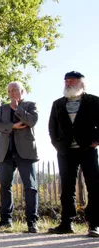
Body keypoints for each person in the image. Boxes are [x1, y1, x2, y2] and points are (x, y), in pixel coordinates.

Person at [48, 71, 99, 237]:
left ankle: (94, 225)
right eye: (66, 81)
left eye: (72, 81)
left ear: (81, 83)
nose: (68, 83)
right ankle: (66, 223)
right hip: (65, 151)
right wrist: (57, 144)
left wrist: (96, 141)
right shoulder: (57, 104)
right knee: (67, 188)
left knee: (94, 186)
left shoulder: (94, 101)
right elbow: (52, 127)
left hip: (87, 149)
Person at [0, 82, 39, 233]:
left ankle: (32, 222)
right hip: (6, 153)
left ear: (22, 91)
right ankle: (6, 221)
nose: (12, 93)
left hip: (26, 153)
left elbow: (32, 121)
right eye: (9, 91)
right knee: (5, 187)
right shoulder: (2, 108)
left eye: (15, 90)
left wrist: (17, 109)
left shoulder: (31, 105)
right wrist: (12, 126)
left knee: (30, 188)